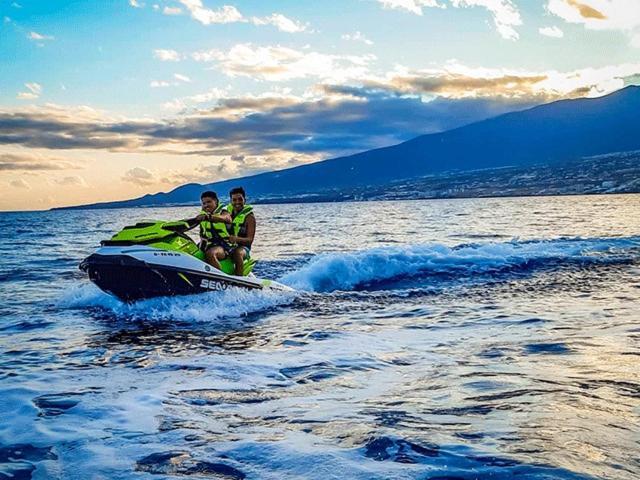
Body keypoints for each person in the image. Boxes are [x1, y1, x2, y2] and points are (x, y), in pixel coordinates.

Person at [186, 191, 232, 270]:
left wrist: (209, 217)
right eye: (204, 203)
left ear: (216, 201)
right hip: (206, 244)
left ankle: (220, 280)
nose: (206, 205)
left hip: (224, 246)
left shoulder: (223, 211)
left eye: (209, 202)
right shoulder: (203, 215)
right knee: (188, 252)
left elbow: (227, 218)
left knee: (210, 254)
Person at [220, 187, 256, 276]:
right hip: (227, 245)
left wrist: (236, 239)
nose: (237, 202)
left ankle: (238, 280)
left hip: (243, 248)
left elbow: (250, 240)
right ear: (231, 201)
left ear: (244, 200)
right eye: (234, 200)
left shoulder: (250, 217)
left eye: (240, 199)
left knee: (237, 253)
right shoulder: (226, 213)